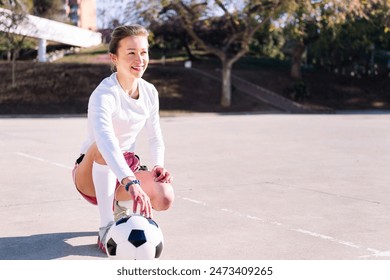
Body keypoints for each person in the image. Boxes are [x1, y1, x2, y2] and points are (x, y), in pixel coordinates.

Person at [71, 24, 174, 253]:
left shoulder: (149, 91)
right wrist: (131, 182)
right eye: (131, 52)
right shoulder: (103, 94)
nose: (140, 59)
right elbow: (106, 141)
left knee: (165, 196)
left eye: (144, 52)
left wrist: (158, 166)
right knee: (103, 147)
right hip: (90, 173)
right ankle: (106, 226)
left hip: (126, 170)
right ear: (114, 58)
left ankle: (119, 204)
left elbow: (155, 136)